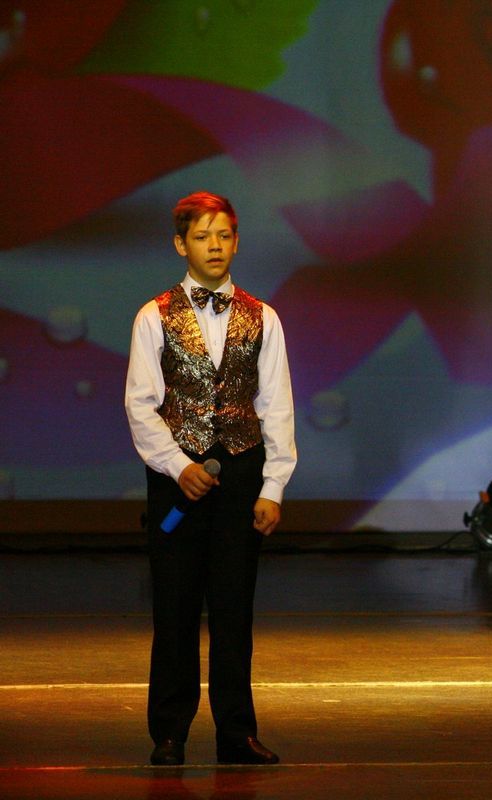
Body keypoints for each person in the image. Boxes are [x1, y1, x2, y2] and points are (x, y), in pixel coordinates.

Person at [124, 191, 297, 766]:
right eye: (202, 236)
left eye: (223, 235)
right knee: (174, 609)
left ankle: (236, 733)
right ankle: (169, 732)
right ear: (181, 245)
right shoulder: (154, 316)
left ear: (237, 242)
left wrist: (272, 488)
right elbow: (141, 405)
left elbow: (277, 406)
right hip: (177, 480)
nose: (214, 246)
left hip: (241, 476)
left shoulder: (262, 316)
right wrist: (180, 466)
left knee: (233, 609)